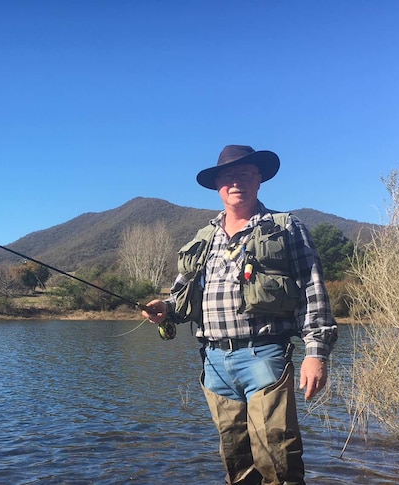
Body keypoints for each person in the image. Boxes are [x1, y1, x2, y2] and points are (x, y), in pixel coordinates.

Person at [142, 145, 337, 485]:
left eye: (244, 174)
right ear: (217, 184)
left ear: (258, 180)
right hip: (214, 363)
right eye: (228, 176)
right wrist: (165, 309)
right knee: (236, 460)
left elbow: (312, 290)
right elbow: (181, 293)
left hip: (265, 356)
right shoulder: (203, 238)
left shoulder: (286, 227)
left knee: (278, 459)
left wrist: (315, 354)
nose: (236, 183)